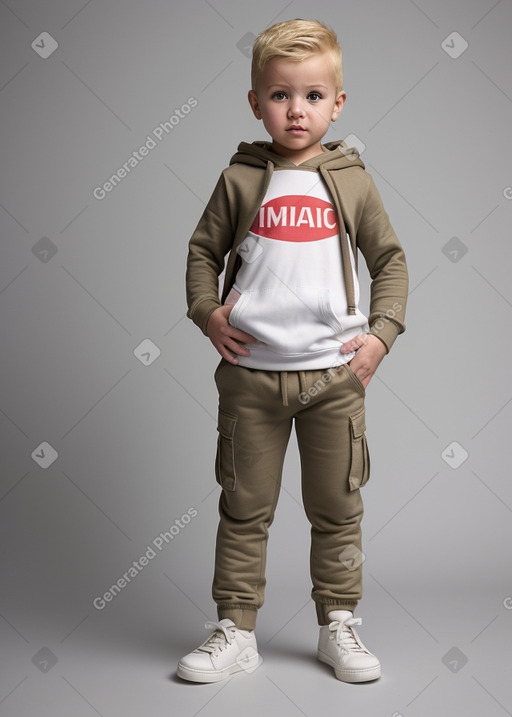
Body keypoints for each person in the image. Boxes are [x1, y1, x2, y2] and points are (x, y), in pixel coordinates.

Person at [178, 18, 408, 684]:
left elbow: (390, 259)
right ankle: (236, 628)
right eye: (280, 95)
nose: (296, 109)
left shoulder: (352, 182)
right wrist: (208, 312)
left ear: (338, 104)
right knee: (243, 506)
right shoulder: (241, 178)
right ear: (256, 102)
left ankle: (338, 623)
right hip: (250, 378)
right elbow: (201, 253)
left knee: (337, 505)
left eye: (312, 95)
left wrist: (380, 334)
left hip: (334, 377)